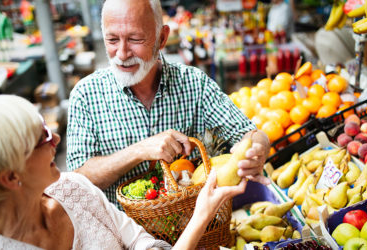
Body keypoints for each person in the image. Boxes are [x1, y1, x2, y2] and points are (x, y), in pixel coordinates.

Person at [67, 0, 270, 208]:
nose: (122, 53)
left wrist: (258, 149)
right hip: (121, 238)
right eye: (112, 40)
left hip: (195, 232)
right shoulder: (86, 95)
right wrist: (138, 151)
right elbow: (77, 180)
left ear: (162, 38)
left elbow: (250, 133)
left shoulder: (194, 84)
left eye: (135, 39)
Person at [0, 94, 247, 250]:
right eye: (42, 137)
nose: (57, 139)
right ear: (11, 177)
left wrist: (201, 213)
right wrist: (201, 215)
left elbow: (141, 242)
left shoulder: (73, 188)